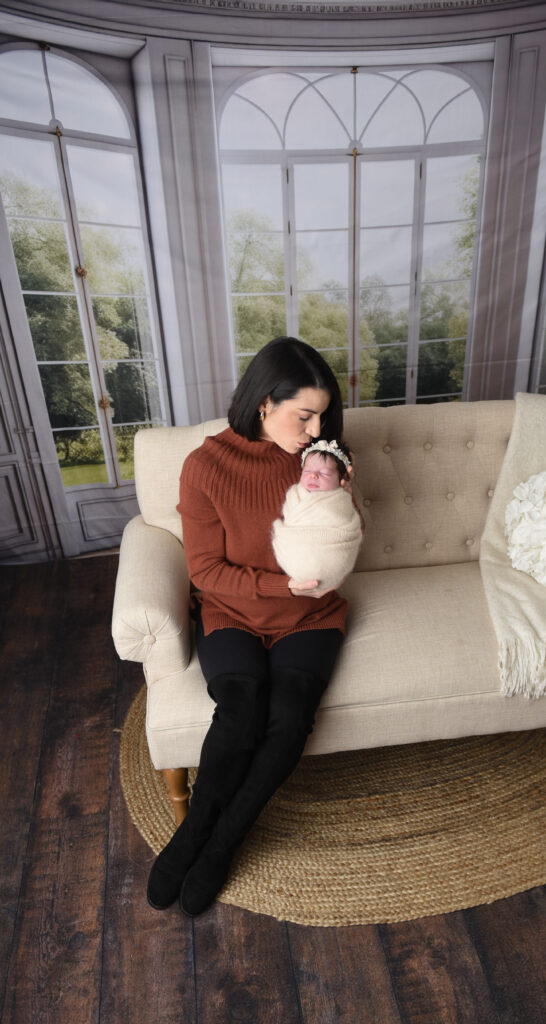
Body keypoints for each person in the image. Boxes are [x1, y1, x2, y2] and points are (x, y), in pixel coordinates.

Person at [147, 336, 350, 917]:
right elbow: (206, 571)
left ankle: (222, 841)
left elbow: (343, 542)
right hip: (232, 612)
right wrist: (277, 585)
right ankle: (192, 836)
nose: (316, 429)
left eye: (322, 416)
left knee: (288, 719)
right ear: (265, 402)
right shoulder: (206, 465)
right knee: (240, 711)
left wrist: (342, 495)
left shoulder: (321, 460)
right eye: (304, 414)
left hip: (309, 616)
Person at [271, 439, 363, 592]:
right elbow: (289, 518)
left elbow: (347, 526)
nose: (313, 476)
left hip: (331, 558)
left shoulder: (339, 500)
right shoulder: (295, 494)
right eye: (306, 471)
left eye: (324, 473)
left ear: (341, 480)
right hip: (294, 556)